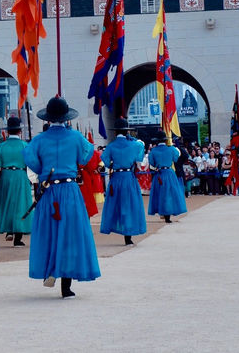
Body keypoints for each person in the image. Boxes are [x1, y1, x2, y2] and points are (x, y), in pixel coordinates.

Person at [23, 96, 100, 299]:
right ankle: (66, 287)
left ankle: (50, 270)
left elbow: (31, 161)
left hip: (48, 190)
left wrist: (44, 171)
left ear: (47, 119)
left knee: (49, 232)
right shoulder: (76, 138)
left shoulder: (38, 140)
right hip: (70, 190)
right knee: (71, 235)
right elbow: (86, 156)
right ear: (66, 117)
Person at [99, 117, 146, 246]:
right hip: (128, 177)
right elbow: (141, 149)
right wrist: (133, 139)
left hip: (116, 178)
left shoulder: (111, 146)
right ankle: (128, 235)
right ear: (127, 132)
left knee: (116, 205)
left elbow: (106, 162)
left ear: (115, 132)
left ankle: (115, 227)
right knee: (129, 205)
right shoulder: (134, 144)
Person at [0, 116, 32, 247]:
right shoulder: (25, 146)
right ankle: (18, 238)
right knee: (20, 205)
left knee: (7, 203)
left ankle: (9, 230)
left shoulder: (1, 147)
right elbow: (32, 165)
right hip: (21, 175)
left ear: (8, 132)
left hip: (6, 176)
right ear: (19, 131)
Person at [148, 130, 187, 222]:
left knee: (160, 194)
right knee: (170, 194)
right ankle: (168, 215)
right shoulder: (171, 149)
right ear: (165, 140)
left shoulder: (153, 151)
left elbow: (152, 163)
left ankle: (163, 213)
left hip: (159, 174)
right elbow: (176, 158)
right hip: (169, 173)